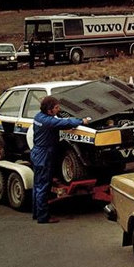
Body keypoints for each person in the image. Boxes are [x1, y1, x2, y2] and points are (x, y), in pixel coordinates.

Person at [31, 96, 91, 224]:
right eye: (56, 108)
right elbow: (66, 123)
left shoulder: (38, 117)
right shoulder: (49, 121)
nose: (59, 110)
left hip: (37, 153)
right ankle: (43, 217)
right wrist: (82, 121)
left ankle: (36, 213)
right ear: (49, 110)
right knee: (43, 187)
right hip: (44, 155)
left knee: (37, 185)